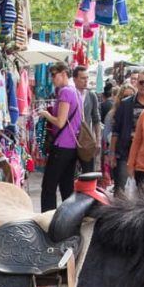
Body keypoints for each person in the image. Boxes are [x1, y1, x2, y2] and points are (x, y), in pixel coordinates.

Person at [38, 62, 82, 212]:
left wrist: (46, 114)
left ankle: (48, 220)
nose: (52, 79)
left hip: (62, 145)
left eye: (54, 75)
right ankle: (68, 220)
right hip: (72, 147)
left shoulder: (65, 92)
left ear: (64, 73)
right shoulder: (75, 91)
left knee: (49, 187)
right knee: (66, 186)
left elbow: (60, 121)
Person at [108, 70, 144, 193]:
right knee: (122, 192)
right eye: (141, 82)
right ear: (137, 83)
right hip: (125, 152)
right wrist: (111, 153)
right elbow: (116, 130)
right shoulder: (125, 104)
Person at [74, 65, 103, 173]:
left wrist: (98, 140)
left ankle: (87, 190)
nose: (86, 81)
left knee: (88, 172)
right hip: (71, 138)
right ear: (75, 79)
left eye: (87, 78)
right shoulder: (70, 93)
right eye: (82, 78)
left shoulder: (91, 95)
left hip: (86, 138)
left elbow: (96, 119)